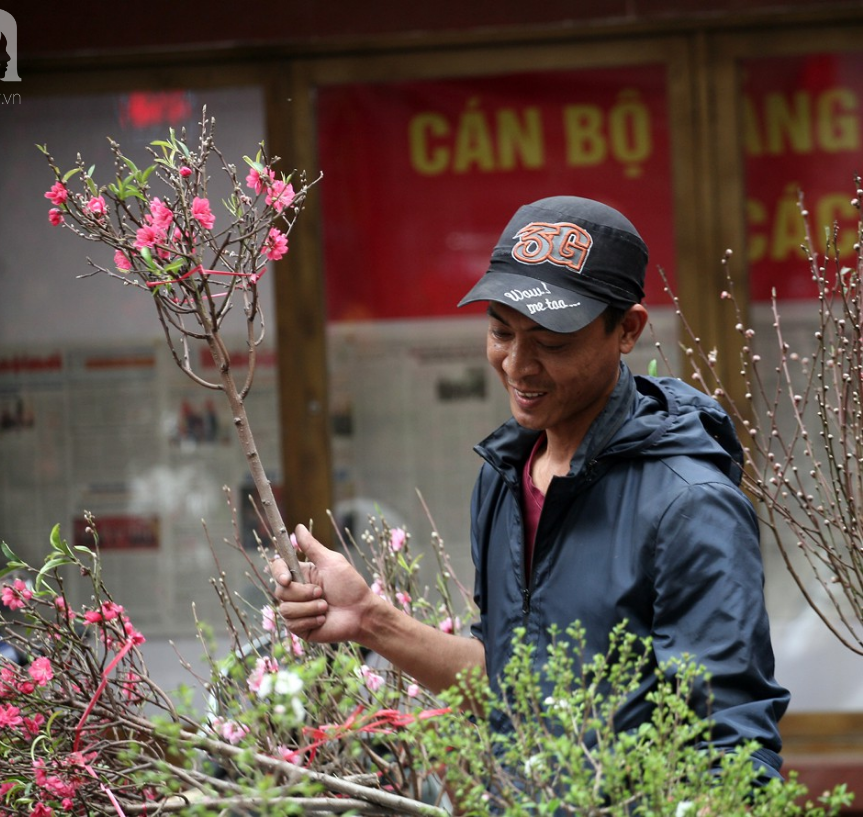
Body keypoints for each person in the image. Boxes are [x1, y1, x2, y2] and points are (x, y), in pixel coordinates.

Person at [271, 196, 788, 784]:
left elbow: (730, 749)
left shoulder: (690, 505)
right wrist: (368, 619)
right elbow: (512, 682)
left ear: (627, 330)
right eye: (501, 331)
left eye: (553, 343)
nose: (518, 365)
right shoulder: (504, 477)